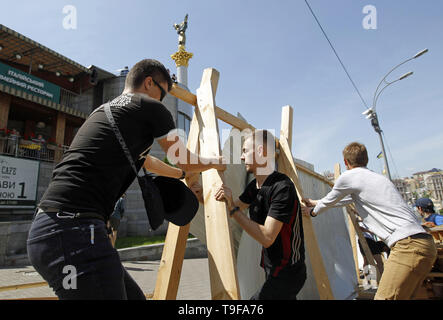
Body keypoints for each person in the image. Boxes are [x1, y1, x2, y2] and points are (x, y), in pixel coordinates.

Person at [27, 59, 225, 300]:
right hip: (73, 231)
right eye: (163, 93)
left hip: (54, 230)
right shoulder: (150, 107)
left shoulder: (105, 112)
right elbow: (183, 158)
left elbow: (149, 162)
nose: (163, 101)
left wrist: (182, 176)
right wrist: (215, 161)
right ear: (149, 82)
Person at [302, 142, 437, 300]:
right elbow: (341, 200)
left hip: (407, 246)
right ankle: (371, 284)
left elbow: (332, 199)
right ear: (366, 159)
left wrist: (312, 212)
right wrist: (314, 202)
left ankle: (371, 284)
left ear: (346, 162)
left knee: (382, 295)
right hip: (425, 244)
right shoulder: (377, 178)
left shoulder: (349, 177)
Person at [215, 129, 306, 300]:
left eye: (245, 151)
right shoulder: (254, 187)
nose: (242, 157)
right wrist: (202, 195)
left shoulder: (282, 187)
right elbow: (234, 207)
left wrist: (233, 210)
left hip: (288, 272)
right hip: (271, 267)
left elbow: (267, 237)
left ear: (260, 152)